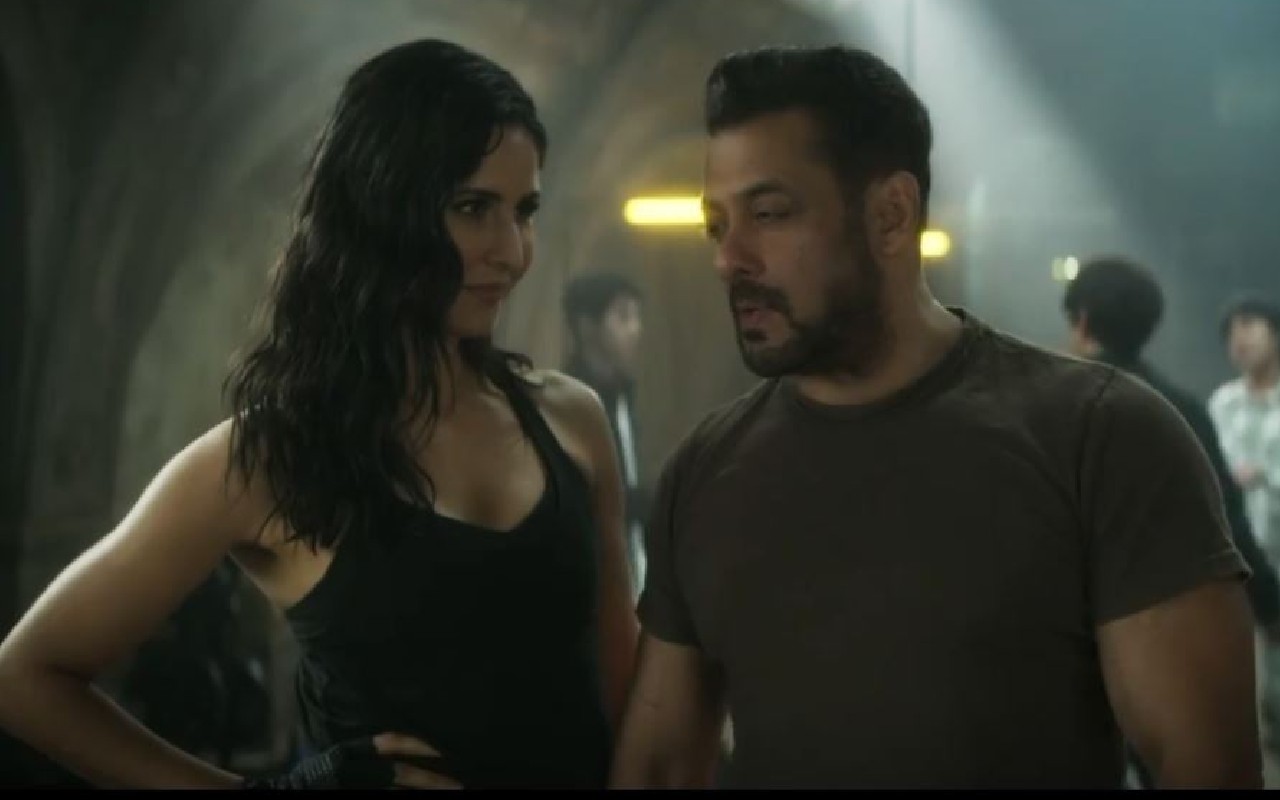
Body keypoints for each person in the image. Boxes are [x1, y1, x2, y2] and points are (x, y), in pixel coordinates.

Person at [610, 45, 1261, 789]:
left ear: (891, 215)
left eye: (768, 214)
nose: (730, 258)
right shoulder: (705, 472)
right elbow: (659, 767)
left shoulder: (1100, 437)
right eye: (716, 224)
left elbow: (1208, 767)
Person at [0, 38, 637, 790]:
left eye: (524, 211)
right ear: (381, 210)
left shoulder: (570, 420)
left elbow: (630, 706)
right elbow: (24, 679)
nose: (512, 250)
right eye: (473, 208)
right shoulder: (268, 459)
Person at [1061, 256, 1280, 784]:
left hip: (1068, 627)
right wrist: (1270, 604)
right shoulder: (1181, 408)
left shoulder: (1052, 408)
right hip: (1164, 622)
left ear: (1083, 322)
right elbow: (1225, 518)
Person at [1211, 296, 1280, 741]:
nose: (1239, 337)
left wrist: (1265, 476)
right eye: (1231, 330)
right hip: (1237, 559)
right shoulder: (1222, 403)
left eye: (1250, 324)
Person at [563, 272, 648, 595]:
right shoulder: (567, 402)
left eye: (637, 317)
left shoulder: (624, 394)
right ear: (587, 326)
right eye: (623, 317)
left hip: (630, 569)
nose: (636, 329)